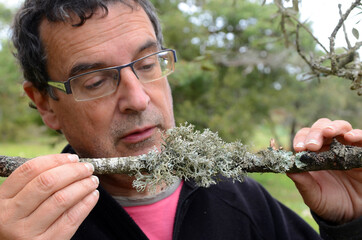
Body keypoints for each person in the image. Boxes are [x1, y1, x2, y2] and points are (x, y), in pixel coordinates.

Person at [0, 0, 361, 239]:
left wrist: (350, 224)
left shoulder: (240, 198)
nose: (138, 98)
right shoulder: (30, 227)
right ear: (46, 104)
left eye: (146, 64)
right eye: (95, 81)